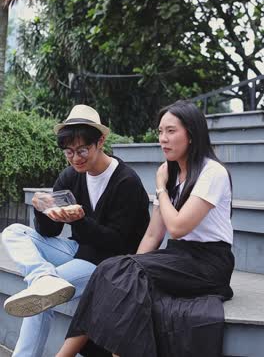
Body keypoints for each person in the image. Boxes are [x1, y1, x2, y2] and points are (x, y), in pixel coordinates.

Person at [55, 99, 234, 357]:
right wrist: (127, 266)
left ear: (192, 134)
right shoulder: (171, 173)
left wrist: (161, 186)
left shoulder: (211, 172)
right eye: (160, 131)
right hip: (178, 257)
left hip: (208, 263)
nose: (163, 139)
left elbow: (178, 227)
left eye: (171, 131)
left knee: (124, 272)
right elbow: (153, 234)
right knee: (112, 269)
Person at [2, 104, 150, 357]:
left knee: (38, 298)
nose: (75, 158)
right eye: (69, 152)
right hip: (79, 251)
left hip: (110, 264)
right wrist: (42, 209)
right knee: (13, 232)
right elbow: (50, 231)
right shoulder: (69, 177)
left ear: (101, 141)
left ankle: (42, 283)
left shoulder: (126, 181)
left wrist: (80, 221)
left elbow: (117, 242)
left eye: (82, 150)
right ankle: (42, 276)